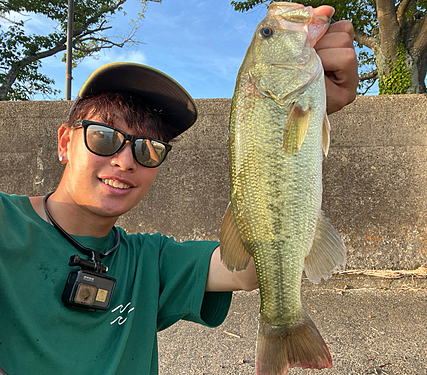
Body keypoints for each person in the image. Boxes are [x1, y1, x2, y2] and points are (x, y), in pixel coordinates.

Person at [0, 11, 358, 375]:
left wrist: (301, 117)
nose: (125, 161)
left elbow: (249, 270)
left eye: (149, 148)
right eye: (104, 137)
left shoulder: (151, 262)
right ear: (65, 142)